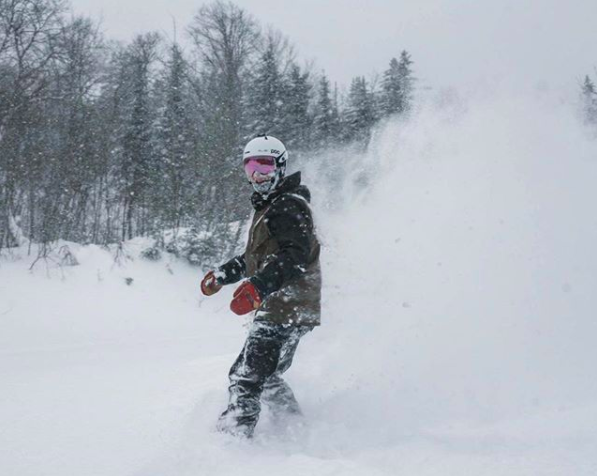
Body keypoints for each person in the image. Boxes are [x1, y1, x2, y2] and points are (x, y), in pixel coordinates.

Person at [200, 135, 322, 438]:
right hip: (290, 306)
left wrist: (259, 285)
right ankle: (295, 429)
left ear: (280, 167)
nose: (258, 176)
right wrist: (223, 275)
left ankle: (233, 440)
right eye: (251, 168)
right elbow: (255, 258)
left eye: (265, 167)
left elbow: (294, 255)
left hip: (286, 305)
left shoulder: (288, 205)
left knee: (247, 375)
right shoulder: (271, 206)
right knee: (266, 376)